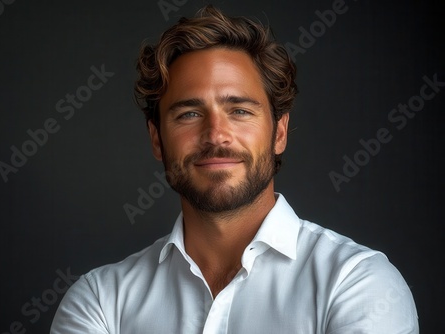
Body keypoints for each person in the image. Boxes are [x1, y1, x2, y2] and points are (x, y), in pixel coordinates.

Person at [50, 5, 419, 333]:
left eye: (240, 111)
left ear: (279, 132)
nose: (216, 135)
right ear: (157, 139)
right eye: (189, 113)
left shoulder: (357, 283)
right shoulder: (100, 301)